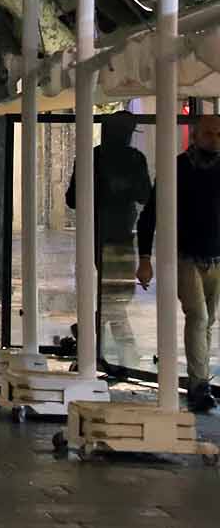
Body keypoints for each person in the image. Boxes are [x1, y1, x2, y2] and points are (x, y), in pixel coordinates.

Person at [136, 114, 220, 412]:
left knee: (207, 320)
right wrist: (145, 258)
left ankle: (200, 379)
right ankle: (199, 384)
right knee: (198, 317)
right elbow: (150, 216)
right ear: (194, 136)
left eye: (219, 133)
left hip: (216, 257)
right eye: (209, 133)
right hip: (184, 257)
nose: (215, 139)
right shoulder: (177, 168)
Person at [66, 110, 151, 360]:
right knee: (118, 296)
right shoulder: (135, 159)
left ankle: (94, 337)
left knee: (111, 295)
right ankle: (123, 352)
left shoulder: (90, 157)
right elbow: (145, 195)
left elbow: (72, 199)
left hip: (93, 234)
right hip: (121, 235)